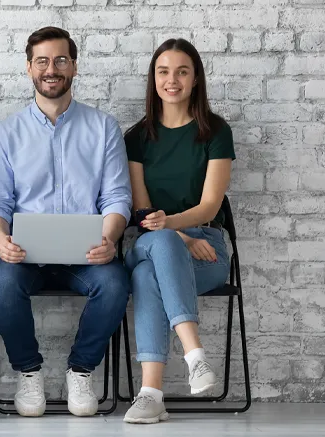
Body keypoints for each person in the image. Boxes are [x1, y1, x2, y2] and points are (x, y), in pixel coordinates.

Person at [0, 27, 132, 417]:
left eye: (61, 60)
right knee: (0, 285)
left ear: (75, 67)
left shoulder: (103, 128)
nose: (52, 69)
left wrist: (110, 237)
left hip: (88, 253)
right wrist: (0, 239)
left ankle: (81, 372)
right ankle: (28, 373)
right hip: (24, 255)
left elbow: (117, 196)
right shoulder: (5, 134)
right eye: (43, 61)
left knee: (116, 284)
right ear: (29, 67)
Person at [122, 39, 235, 424]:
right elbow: (142, 211)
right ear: (154, 80)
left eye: (182, 71)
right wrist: (176, 234)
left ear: (196, 79)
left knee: (144, 275)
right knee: (158, 247)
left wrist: (175, 229)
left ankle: (151, 394)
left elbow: (210, 207)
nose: (173, 80)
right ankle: (195, 356)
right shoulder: (136, 137)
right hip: (154, 239)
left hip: (208, 248)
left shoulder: (215, 131)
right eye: (164, 71)